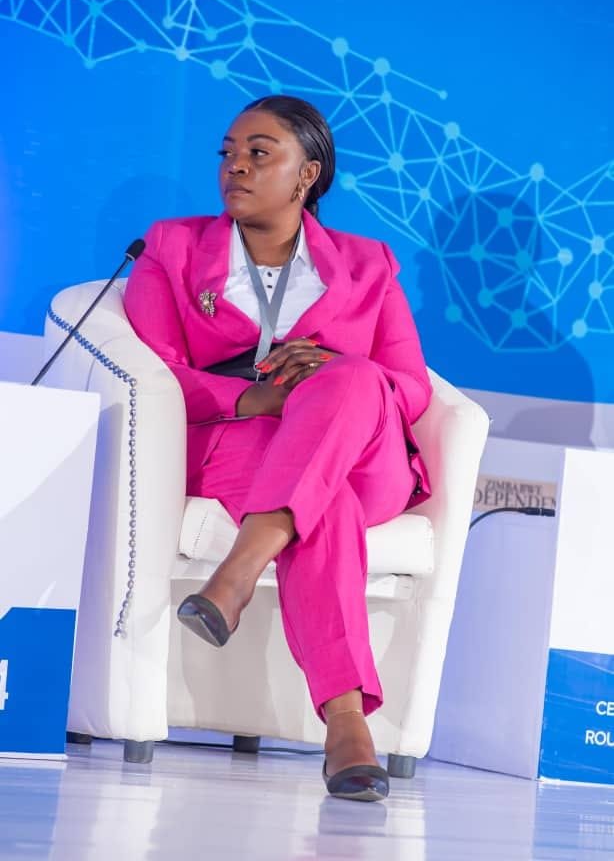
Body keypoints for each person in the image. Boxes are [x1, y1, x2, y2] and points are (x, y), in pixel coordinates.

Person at [124, 95, 432, 802]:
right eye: (228, 153)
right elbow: (156, 375)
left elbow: (412, 388)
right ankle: (347, 723)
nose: (236, 166)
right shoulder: (172, 248)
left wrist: (332, 373)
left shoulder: (369, 264)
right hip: (241, 442)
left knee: (352, 377)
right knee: (327, 507)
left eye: (259, 153)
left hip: (362, 451)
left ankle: (237, 571)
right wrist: (255, 399)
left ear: (307, 174)